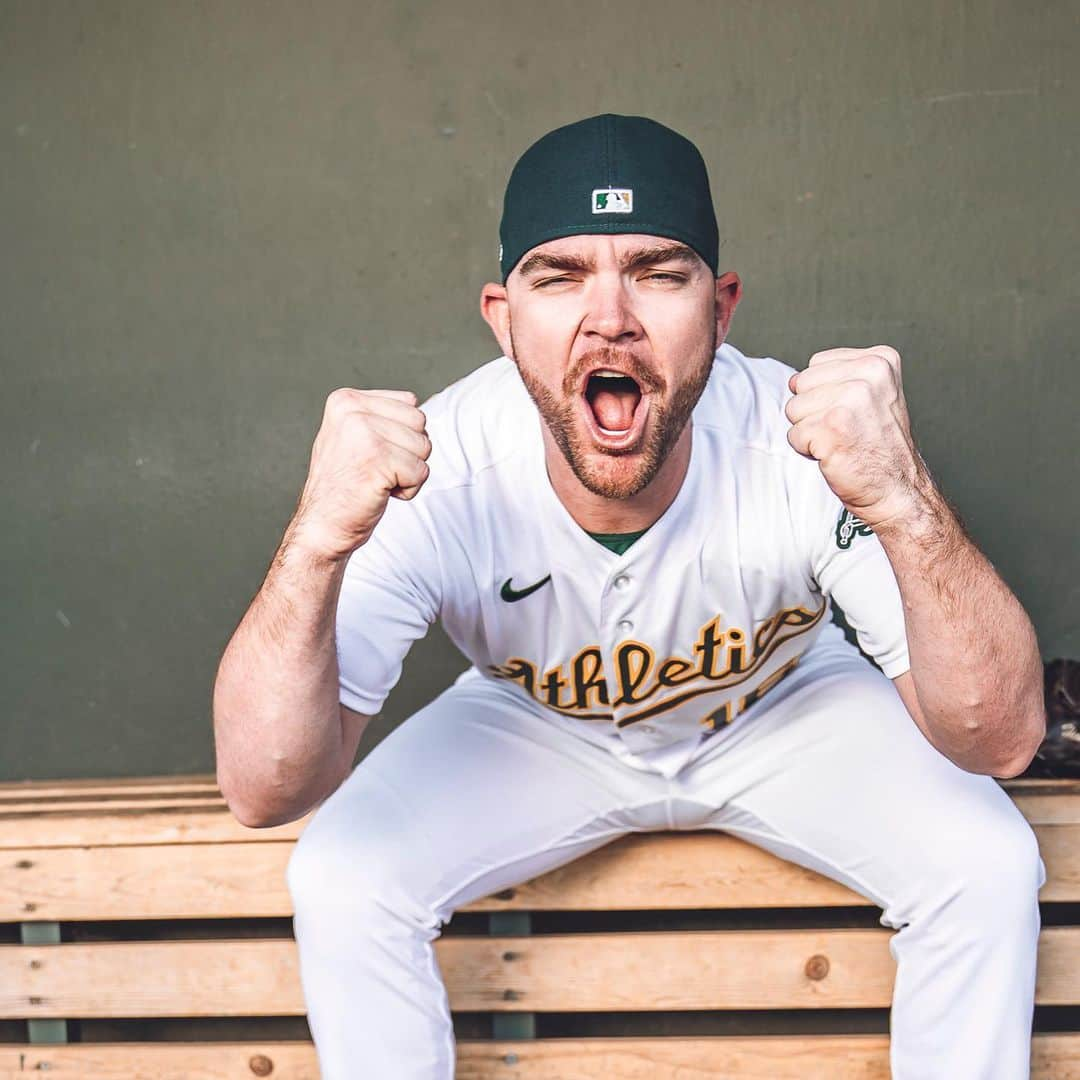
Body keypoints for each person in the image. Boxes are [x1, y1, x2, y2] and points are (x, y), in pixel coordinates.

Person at [212, 114, 1048, 1079]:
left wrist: (903, 499)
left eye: (657, 271)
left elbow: (1001, 741)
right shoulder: (437, 466)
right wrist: (314, 541)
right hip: (536, 725)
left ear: (722, 308)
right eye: (560, 277)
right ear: (502, 318)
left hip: (783, 706)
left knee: (985, 862)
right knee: (339, 875)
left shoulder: (802, 438)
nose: (609, 317)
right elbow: (264, 787)